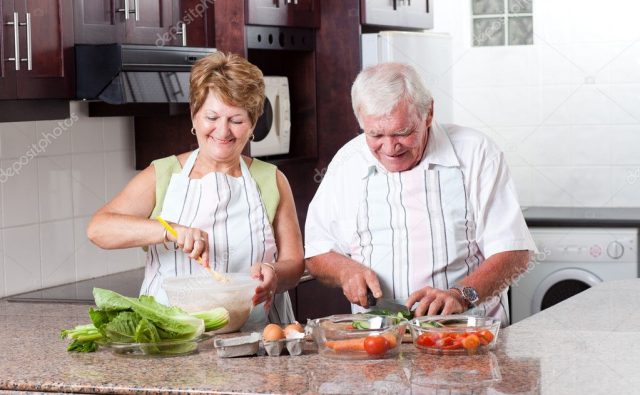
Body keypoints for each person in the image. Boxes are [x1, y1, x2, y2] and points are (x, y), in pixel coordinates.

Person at [304, 62, 534, 324]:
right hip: (379, 343)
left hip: (468, 337)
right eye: (376, 134)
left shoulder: (476, 153)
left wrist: (461, 295)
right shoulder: (347, 163)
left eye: (403, 132)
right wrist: (345, 271)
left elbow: (515, 252)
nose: (390, 148)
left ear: (429, 113)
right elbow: (317, 251)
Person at [87, 52, 304, 328]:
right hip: (173, 338)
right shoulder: (164, 174)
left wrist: (275, 273)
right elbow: (99, 229)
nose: (222, 131)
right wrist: (170, 230)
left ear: (252, 123)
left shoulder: (271, 179)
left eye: (236, 120)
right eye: (211, 117)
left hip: (255, 338)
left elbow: (294, 263)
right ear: (194, 115)